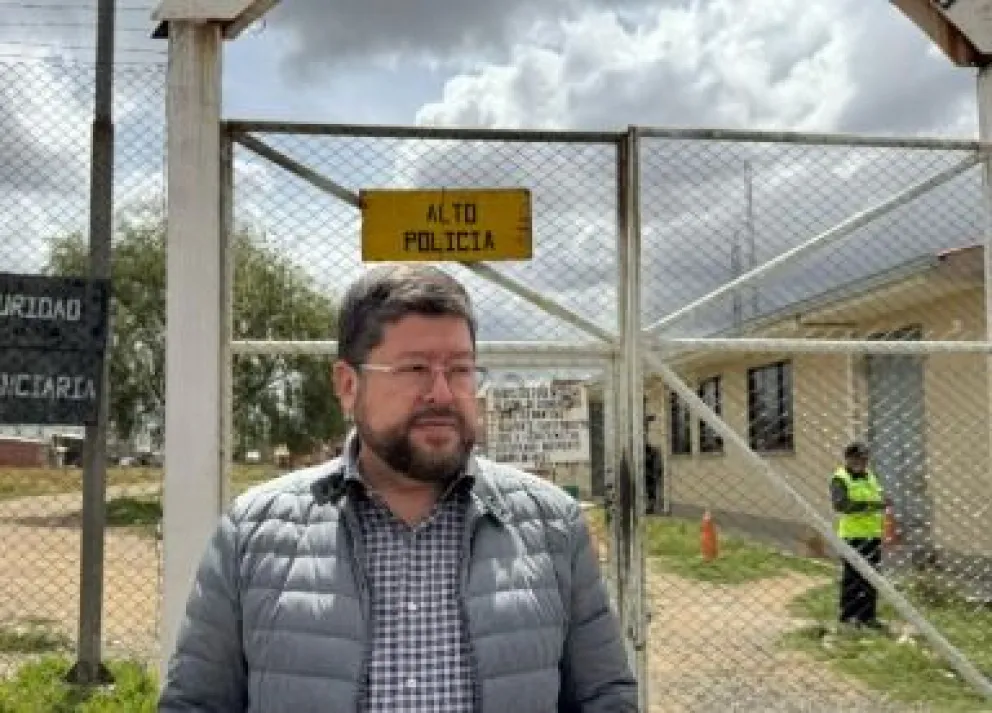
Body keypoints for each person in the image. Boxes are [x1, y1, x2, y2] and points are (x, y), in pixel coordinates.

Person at [158, 264, 637, 712]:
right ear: (348, 385)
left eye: (461, 369)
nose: (443, 394)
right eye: (414, 370)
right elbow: (196, 702)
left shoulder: (552, 525)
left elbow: (604, 698)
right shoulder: (253, 532)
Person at [830, 441, 886, 630]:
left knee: (872, 577)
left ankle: (868, 616)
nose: (862, 462)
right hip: (852, 536)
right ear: (848, 458)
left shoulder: (870, 476)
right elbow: (841, 505)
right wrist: (872, 506)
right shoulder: (840, 478)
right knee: (853, 578)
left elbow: (877, 497)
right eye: (858, 458)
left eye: (864, 458)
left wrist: (884, 501)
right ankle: (848, 617)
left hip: (873, 534)